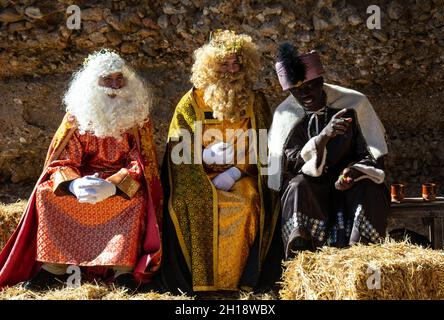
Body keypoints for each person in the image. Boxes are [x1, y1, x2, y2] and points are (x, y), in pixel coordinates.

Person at [0, 50, 162, 290]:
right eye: (107, 80)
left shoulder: (138, 118)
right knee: (47, 194)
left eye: (120, 79)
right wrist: (75, 184)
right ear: (93, 84)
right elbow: (63, 160)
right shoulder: (76, 117)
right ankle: (54, 269)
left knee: (134, 200)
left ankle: (122, 272)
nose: (115, 85)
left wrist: (113, 185)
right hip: (83, 182)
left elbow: (141, 162)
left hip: (119, 182)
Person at [160, 30, 280, 294]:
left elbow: (264, 146)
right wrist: (202, 157)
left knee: (249, 202)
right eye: (224, 63)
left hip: (242, 176)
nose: (231, 69)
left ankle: (238, 283)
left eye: (237, 62)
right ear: (211, 65)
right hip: (200, 176)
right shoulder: (190, 101)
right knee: (190, 201)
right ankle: (201, 282)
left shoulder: (254, 100)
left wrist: (236, 172)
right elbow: (177, 143)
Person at [268, 43, 390, 259]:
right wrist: (324, 136)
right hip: (312, 189)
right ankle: (304, 259)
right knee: (297, 187)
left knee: (370, 188)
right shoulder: (285, 116)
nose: (305, 95)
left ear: (321, 82)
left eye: (310, 87)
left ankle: (359, 258)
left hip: (349, 184)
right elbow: (291, 164)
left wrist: (353, 172)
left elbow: (372, 154)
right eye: (297, 91)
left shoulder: (354, 104)